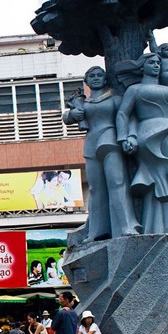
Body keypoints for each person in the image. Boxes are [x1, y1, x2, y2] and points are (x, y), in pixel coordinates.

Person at [116, 53, 168, 234]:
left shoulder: (167, 90)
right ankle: (153, 227)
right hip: (147, 135)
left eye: (158, 63)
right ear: (142, 66)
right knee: (153, 183)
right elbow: (123, 114)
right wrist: (124, 138)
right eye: (151, 62)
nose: (156, 65)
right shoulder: (134, 89)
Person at [63, 66, 140, 241]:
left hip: (110, 140)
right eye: (92, 76)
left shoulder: (115, 98)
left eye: (100, 75)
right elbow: (67, 118)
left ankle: (127, 226)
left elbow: (129, 117)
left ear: (105, 79)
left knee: (117, 183)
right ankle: (96, 232)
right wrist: (72, 114)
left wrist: (132, 137)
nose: (96, 78)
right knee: (95, 189)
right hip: (91, 144)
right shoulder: (83, 102)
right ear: (86, 81)